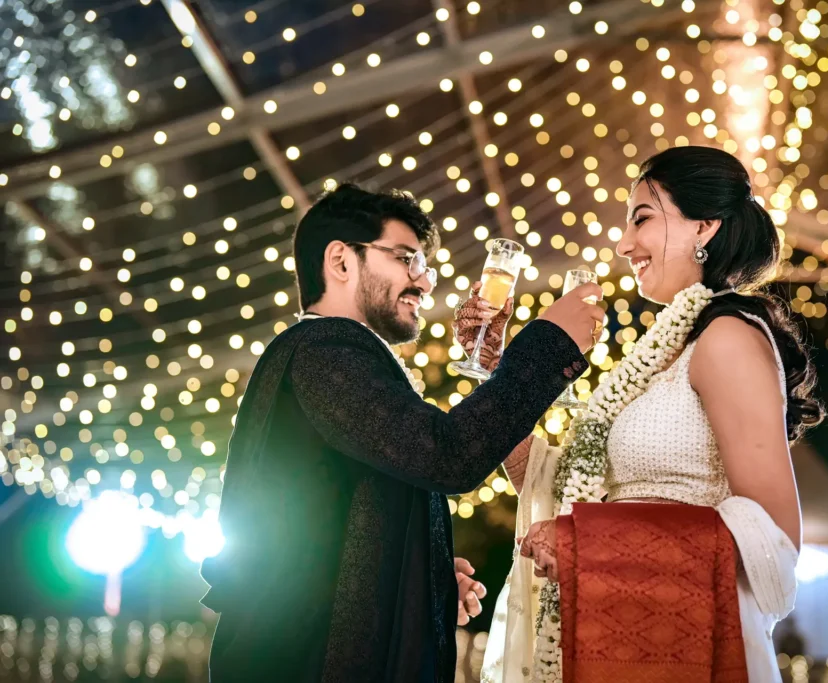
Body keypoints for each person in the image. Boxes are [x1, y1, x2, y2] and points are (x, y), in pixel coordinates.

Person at [200, 183, 605, 683]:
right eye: (406, 259)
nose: (424, 282)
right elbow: (446, 455)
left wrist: (420, 578)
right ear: (341, 261)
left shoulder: (336, 356)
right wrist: (548, 345)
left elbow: (321, 528)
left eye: (424, 265)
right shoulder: (324, 353)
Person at [477, 146, 825, 683]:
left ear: (704, 227)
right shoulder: (664, 355)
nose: (623, 244)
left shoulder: (727, 337)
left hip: (687, 647)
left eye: (642, 218)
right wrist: (497, 370)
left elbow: (775, 536)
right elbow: (548, 483)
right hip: (612, 634)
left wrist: (587, 543)